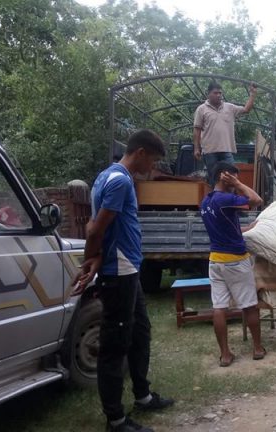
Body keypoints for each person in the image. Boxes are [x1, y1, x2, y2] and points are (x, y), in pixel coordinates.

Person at [73, 130, 174, 432]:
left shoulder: (108, 176)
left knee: (140, 331)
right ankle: (115, 420)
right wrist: (92, 258)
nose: (152, 168)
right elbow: (95, 230)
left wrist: (96, 256)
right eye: (152, 161)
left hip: (128, 268)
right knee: (115, 346)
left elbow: (100, 226)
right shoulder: (119, 181)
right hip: (119, 272)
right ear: (140, 153)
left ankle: (143, 396)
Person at [200, 161, 266, 367]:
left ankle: (225, 355)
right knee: (250, 306)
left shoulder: (206, 201)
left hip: (215, 261)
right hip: (235, 261)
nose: (237, 181)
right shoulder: (225, 199)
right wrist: (237, 184)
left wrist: (248, 228)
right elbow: (256, 200)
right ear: (224, 176)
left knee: (219, 307)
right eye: (234, 177)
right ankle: (257, 348)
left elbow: (227, 229)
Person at [193, 82, 257, 185]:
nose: (218, 95)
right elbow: (197, 129)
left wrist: (252, 94)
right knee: (214, 179)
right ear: (208, 94)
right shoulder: (201, 109)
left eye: (220, 93)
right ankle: (215, 195)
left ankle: (231, 194)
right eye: (215, 93)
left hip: (226, 150)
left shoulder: (229, 107)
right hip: (209, 151)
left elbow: (246, 109)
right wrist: (196, 148)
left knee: (232, 176)